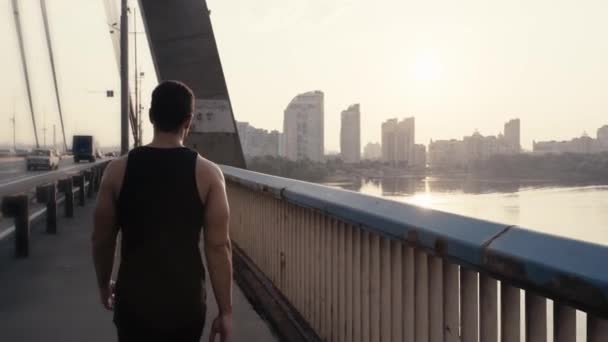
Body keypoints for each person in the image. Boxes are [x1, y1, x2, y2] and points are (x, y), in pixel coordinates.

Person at [92, 80, 233, 342]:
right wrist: (225, 312)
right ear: (188, 120)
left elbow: (102, 239)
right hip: (185, 302)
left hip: (133, 300)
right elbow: (218, 246)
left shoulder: (117, 171)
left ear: (151, 116)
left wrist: (103, 285)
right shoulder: (209, 174)